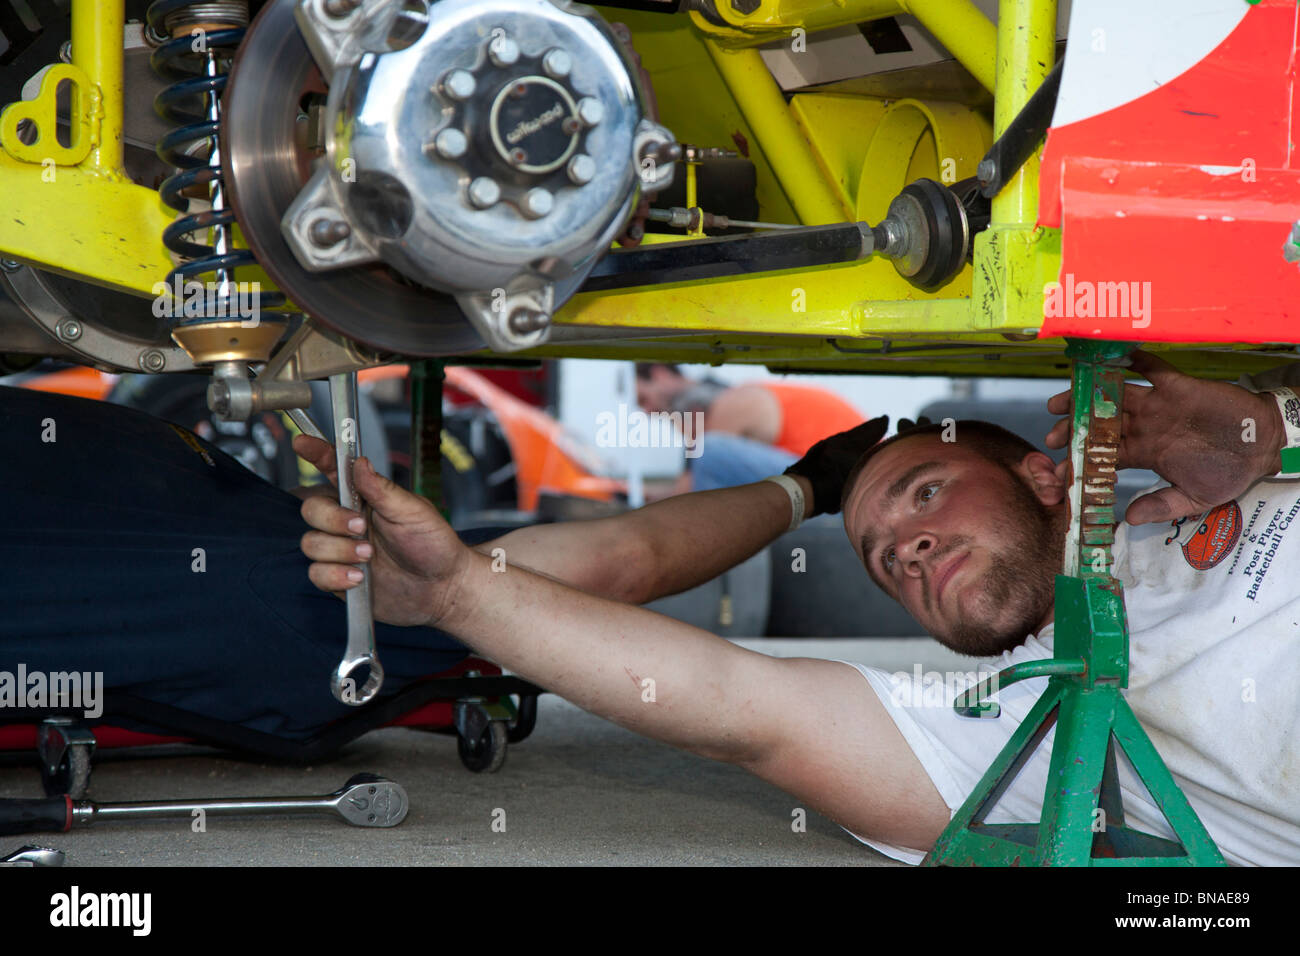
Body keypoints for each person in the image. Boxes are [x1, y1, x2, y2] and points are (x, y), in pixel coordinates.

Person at [300, 351, 1300, 865]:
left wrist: (1268, 421)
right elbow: (745, 702)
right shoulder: (1013, 731)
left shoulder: (1225, 472)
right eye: (873, 556)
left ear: (1045, 475)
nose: (901, 548)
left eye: (925, 492)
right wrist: (459, 593)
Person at [634, 362, 864, 492]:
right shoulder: (731, 400)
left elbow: (687, 489)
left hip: (850, 486)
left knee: (712, 453)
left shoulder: (733, 404)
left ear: (660, 373)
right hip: (841, 481)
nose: (647, 411)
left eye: (644, 399)